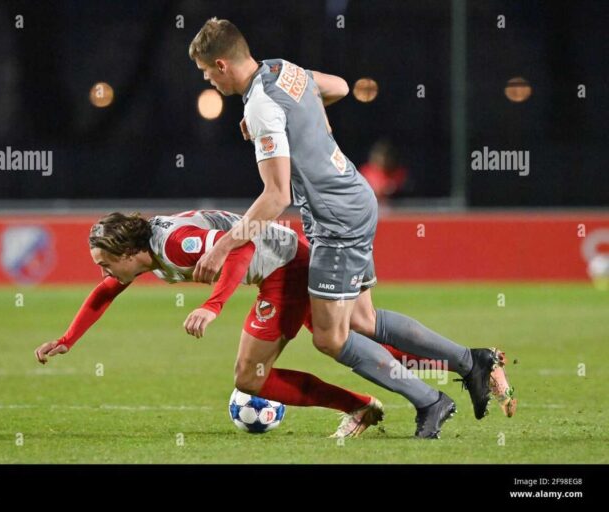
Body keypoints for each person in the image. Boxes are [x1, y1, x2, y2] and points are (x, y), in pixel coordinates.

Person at [188, 18, 512, 436]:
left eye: (205, 72)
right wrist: (300, 120)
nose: (207, 80)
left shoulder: (260, 106)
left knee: (330, 337)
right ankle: (472, 361)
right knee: (364, 319)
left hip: (335, 219)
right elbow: (338, 86)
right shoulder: (279, 69)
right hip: (353, 196)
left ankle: (430, 399)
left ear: (221, 64)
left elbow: (276, 196)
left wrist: (223, 247)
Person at [34, 210, 516, 441]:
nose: (104, 272)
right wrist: (67, 339)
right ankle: (470, 363)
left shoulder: (176, 245)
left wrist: (213, 306)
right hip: (287, 261)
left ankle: (371, 406)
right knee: (362, 329)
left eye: (104, 262)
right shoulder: (144, 256)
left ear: (126, 252)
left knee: (253, 376)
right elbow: (105, 292)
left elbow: (239, 246)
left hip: (285, 269)